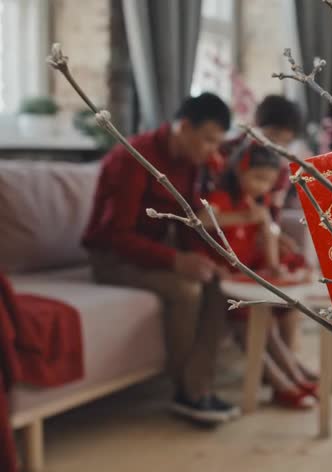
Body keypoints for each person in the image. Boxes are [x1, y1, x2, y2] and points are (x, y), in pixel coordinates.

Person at [82, 93, 240, 425]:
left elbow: (186, 223)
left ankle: (198, 387)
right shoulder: (134, 157)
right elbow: (116, 236)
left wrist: (205, 260)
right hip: (111, 257)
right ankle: (186, 391)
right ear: (184, 127)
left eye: (218, 142)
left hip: (150, 254)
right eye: (208, 139)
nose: (213, 150)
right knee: (187, 290)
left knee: (220, 285)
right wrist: (175, 261)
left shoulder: (192, 163)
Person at [201, 142, 318, 409]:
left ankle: (293, 374)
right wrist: (246, 217)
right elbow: (204, 220)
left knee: (268, 324)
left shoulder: (259, 200)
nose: (262, 186)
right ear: (239, 171)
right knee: (248, 322)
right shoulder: (221, 197)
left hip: (247, 272)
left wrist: (274, 261)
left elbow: (269, 234)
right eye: (257, 178)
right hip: (224, 275)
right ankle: (282, 383)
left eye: (268, 182)